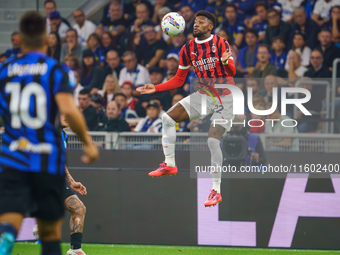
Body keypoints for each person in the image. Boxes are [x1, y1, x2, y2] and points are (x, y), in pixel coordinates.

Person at [0, 11, 98, 255]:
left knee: (10, 218)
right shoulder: (54, 69)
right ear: (47, 40)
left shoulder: (5, 71)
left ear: (19, 40)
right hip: (45, 159)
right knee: (49, 234)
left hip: (13, 157)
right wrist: (88, 143)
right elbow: (69, 109)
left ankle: (7, 238)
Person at [137, 10, 236, 207]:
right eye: (195, 22)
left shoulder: (220, 43)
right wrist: (155, 87)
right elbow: (178, 80)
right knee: (167, 118)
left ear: (210, 26)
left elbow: (233, 71)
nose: (196, 24)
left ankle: (216, 190)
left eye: (201, 22)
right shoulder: (187, 49)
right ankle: (170, 164)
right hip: (205, 95)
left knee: (212, 142)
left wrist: (225, 61)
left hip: (226, 97)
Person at [60, 115, 88, 255]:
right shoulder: (43, 133)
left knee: (79, 208)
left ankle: (75, 249)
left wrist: (71, 182)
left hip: (55, 181)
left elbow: (60, 162)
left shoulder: (64, 136)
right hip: (34, 180)